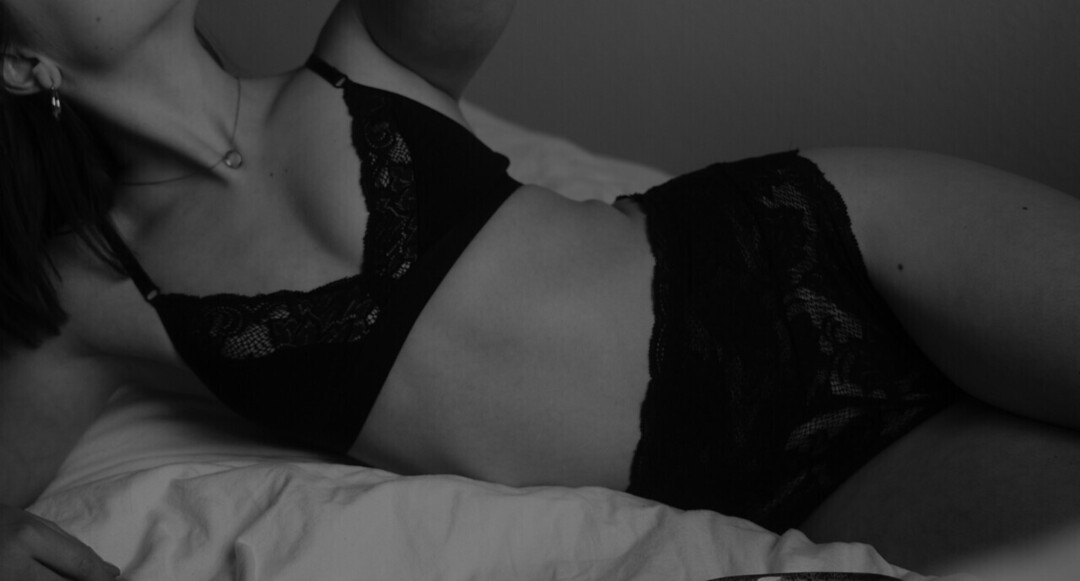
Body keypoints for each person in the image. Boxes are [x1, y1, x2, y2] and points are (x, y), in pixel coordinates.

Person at [1, 0, 1077, 579]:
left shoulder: (365, 47)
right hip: (775, 478)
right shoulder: (90, 292)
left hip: (831, 240)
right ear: (17, 61)